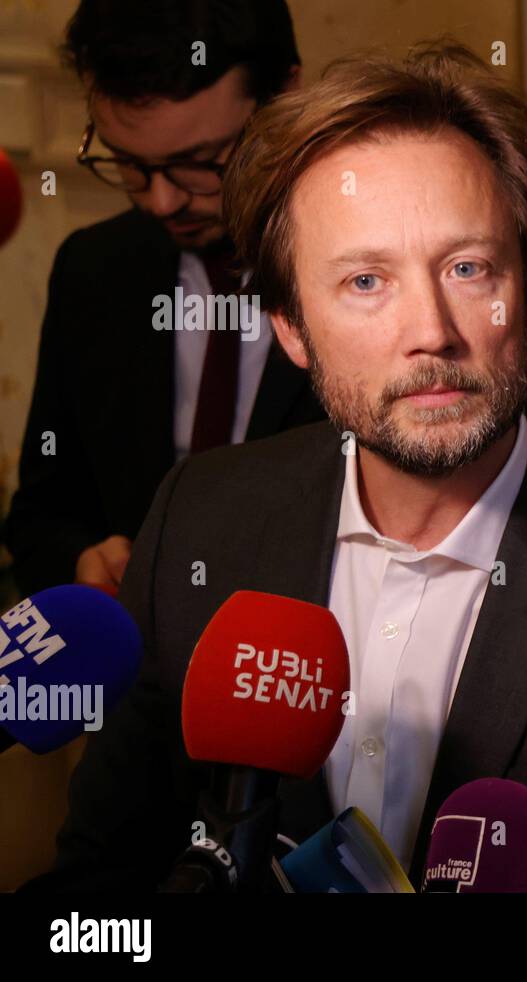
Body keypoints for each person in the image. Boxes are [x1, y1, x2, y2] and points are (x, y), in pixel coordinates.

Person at [45, 42, 527, 892]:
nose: (431, 329)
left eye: (468, 268)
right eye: (364, 281)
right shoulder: (198, 520)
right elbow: (94, 889)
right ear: (289, 327)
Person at [5, 0, 324, 597]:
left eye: (199, 164)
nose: (159, 203)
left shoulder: (385, 268)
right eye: (128, 164)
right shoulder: (93, 268)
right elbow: (41, 516)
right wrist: (82, 563)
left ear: (285, 95)